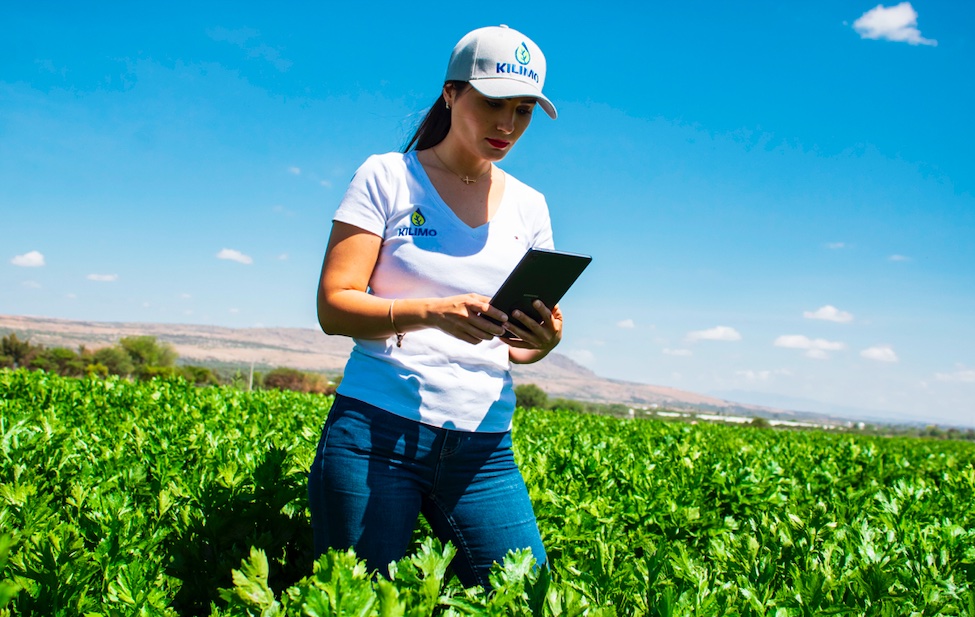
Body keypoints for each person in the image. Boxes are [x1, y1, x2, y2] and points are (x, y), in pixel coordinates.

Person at [308, 24, 561, 589]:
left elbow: (518, 351)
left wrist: (541, 342)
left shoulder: (531, 206)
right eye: (493, 104)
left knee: (526, 598)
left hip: (484, 448)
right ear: (451, 94)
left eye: (523, 111)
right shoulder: (387, 177)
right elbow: (333, 306)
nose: (507, 126)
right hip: (375, 435)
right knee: (358, 601)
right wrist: (430, 312)